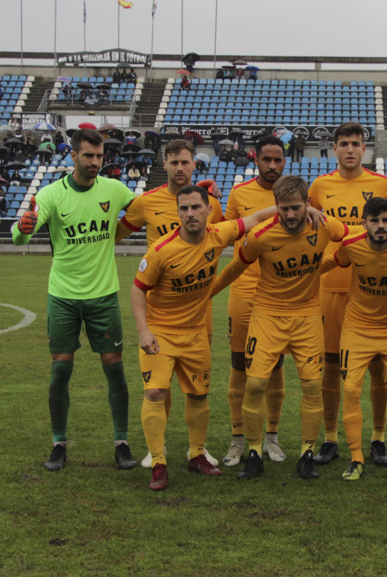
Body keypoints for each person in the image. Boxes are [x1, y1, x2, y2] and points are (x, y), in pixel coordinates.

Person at [131, 185, 291, 491]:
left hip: (194, 335)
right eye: (184, 209)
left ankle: (196, 454)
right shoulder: (161, 251)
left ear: (208, 210)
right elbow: (138, 288)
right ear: (178, 213)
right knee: (154, 393)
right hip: (161, 334)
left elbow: (257, 216)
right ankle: (159, 462)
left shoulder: (219, 234)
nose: (190, 214)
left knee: (198, 395)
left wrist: (302, 209)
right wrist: (143, 330)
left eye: (195, 207)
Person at [11, 128, 139, 473]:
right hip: (63, 297)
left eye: (100, 157)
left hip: (103, 296)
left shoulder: (114, 189)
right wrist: (23, 226)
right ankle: (58, 443)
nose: (95, 162)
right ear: (73, 156)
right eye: (88, 156)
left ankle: (122, 443)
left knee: (115, 370)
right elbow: (19, 235)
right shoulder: (52, 194)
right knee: (60, 370)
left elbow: (145, 208)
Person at [212, 175, 350, 480]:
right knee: (256, 384)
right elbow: (236, 266)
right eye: (284, 208)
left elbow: (354, 234)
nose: (290, 214)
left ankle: (306, 454)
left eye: (296, 207)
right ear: (276, 207)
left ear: (308, 204)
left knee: (313, 386)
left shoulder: (325, 226)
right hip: (267, 316)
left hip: (307, 318)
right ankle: (254, 452)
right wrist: (207, 294)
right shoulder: (261, 235)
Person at [116, 138, 224, 469]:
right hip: (160, 306)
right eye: (174, 162)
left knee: (196, 384)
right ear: (164, 164)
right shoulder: (146, 202)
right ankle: (156, 448)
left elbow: (215, 242)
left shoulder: (211, 203)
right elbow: (114, 234)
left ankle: (196, 449)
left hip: (197, 310)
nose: (180, 167)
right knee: (158, 385)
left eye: (185, 162)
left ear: (195, 165)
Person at [308, 122, 387, 467]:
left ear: (365, 148)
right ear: (334, 148)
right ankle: (330, 438)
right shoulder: (320, 186)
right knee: (331, 368)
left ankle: (377, 438)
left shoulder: (383, 185)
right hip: (331, 289)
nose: (349, 149)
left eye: (356, 143)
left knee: (378, 367)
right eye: (343, 143)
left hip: (374, 292)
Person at [324, 197, 387, 481]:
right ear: (364, 223)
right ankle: (355, 458)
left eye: (386, 220)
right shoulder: (351, 246)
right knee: (351, 390)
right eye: (374, 221)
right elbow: (331, 262)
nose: (380, 226)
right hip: (357, 330)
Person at [215, 136, 291, 467]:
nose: (272, 165)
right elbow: (225, 233)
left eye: (277, 160)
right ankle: (236, 439)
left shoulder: (294, 194)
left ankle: (271, 437)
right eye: (266, 160)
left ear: (285, 162)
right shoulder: (239, 193)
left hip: (281, 293)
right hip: (244, 292)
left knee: (274, 366)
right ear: (256, 160)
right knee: (239, 366)